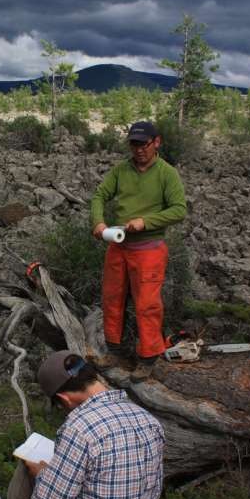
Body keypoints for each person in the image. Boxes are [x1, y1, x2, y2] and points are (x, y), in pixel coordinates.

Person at [89, 121, 187, 381]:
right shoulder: (121, 170)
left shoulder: (167, 173)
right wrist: (98, 222)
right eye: (134, 144)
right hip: (118, 246)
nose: (139, 149)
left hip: (149, 249)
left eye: (143, 144)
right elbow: (99, 196)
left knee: (147, 305)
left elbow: (179, 209)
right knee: (112, 298)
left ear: (157, 142)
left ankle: (148, 358)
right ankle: (115, 351)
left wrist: (145, 222)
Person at [21, 350, 165, 499]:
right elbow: (154, 491)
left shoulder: (79, 429)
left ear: (64, 399)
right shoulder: (148, 420)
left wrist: (41, 473)